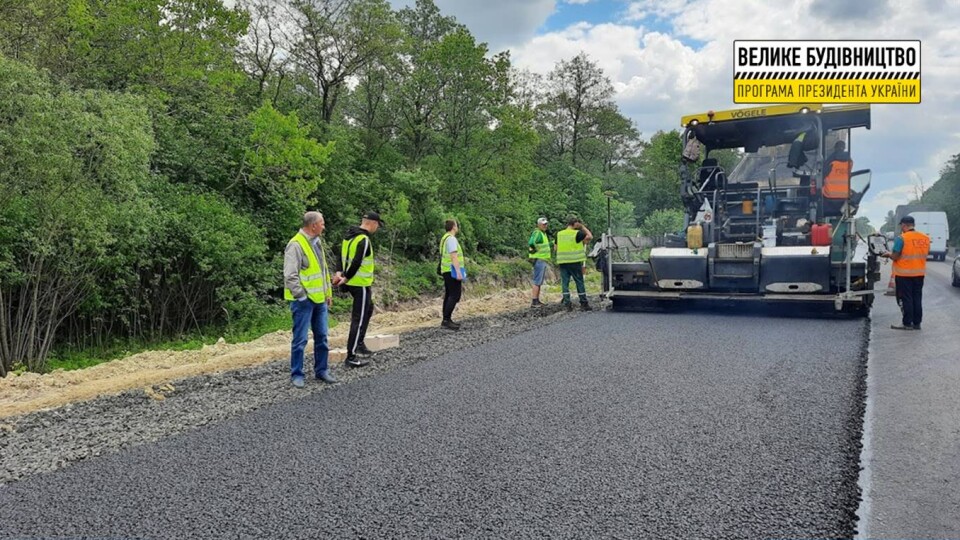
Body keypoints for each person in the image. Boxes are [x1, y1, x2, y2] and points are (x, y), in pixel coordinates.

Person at [283, 211, 337, 387]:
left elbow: (322, 271)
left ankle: (322, 370)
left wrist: (327, 292)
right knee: (300, 339)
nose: (324, 226)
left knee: (322, 336)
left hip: (320, 299)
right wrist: (302, 297)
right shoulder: (296, 245)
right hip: (304, 302)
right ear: (313, 225)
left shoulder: (317, 243)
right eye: (321, 223)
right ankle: (296, 374)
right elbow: (290, 276)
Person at [334, 212, 383, 368]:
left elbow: (340, 256)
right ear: (372, 223)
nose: (377, 228)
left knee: (368, 309)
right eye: (377, 225)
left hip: (354, 282)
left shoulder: (349, 236)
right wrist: (346, 277)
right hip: (359, 283)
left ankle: (360, 343)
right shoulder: (364, 239)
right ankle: (351, 355)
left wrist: (339, 273)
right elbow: (356, 262)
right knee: (358, 318)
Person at [882, 215, 930, 330]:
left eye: (901, 226)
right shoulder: (925, 238)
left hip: (904, 274)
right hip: (919, 274)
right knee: (917, 298)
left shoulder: (901, 238)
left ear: (903, 225)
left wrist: (888, 254)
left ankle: (907, 323)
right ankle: (917, 323)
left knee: (906, 298)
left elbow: (895, 256)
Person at [555, 216, 593, 311]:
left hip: (563, 261)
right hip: (574, 262)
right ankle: (583, 303)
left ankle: (567, 304)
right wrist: (583, 227)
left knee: (565, 283)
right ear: (575, 224)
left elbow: (555, 248)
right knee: (579, 282)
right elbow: (590, 237)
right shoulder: (577, 233)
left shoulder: (559, 234)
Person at [439, 219, 464, 330]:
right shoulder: (451, 239)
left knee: (449, 295)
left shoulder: (444, 238)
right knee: (455, 295)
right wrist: (458, 272)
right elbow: (453, 256)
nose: (457, 227)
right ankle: (446, 320)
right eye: (456, 225)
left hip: (446, 270)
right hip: (452, 270)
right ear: (453, 227)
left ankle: (446, 319)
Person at [528, 217, 552, 308]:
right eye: (543, 224)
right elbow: (531, 243)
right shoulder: (538, 233)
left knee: (539, 280)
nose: (545, 226)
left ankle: (537, 300)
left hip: (541, 259)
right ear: (539, 225)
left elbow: (543, 246)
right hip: (539, 259)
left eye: (546, 224)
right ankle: (534, 301)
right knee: (537, 280)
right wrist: (535, 253)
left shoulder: (542, 233)